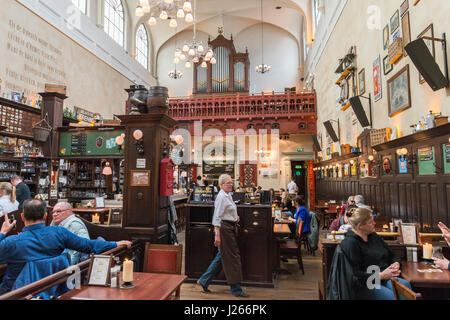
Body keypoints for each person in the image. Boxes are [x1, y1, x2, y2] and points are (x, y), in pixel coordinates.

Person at [0, 199, 132, 294]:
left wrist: (3, 232)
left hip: (16, 293)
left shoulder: (12, 242)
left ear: (22, 217)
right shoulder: (59, 233)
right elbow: (88, 245)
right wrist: (115, 243)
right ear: (46, 215)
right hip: (55, 290)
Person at [340, 207, 412, 300]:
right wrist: (381, 275)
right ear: (360, 226)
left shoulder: (373, 237)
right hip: (365, 285)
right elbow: (354, 276)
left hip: (385, 278)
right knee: (393, 297)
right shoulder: (350, 243)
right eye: (371, 222)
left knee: (406, 286)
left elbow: (392, 255)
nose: (374, 223)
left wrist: (396, 263)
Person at [197, 174, 248, 297]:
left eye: (231, 182)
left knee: (222, 257)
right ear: (221, 185)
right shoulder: (221, 197)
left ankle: (204, 280)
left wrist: (234, 218)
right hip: (224, 230)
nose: (231, 184)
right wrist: (217, 235)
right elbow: (217, 217)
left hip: (229, 227)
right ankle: (236, 289)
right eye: (228, 183)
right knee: (232, 258)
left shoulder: (228, 195)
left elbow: (227, 212)